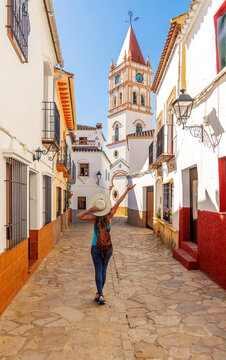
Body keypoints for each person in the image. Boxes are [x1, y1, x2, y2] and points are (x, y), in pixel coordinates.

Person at [76, 184, 136, 305]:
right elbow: (118, 202)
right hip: (108, 248)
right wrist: (127, 191)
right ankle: (100, 293)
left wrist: (89, 210)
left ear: (97, 209)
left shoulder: (94, 218)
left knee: (98, 270)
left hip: (95, 247)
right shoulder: (109, 216)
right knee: (103, 271)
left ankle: (100, 294)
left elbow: (78, 216)